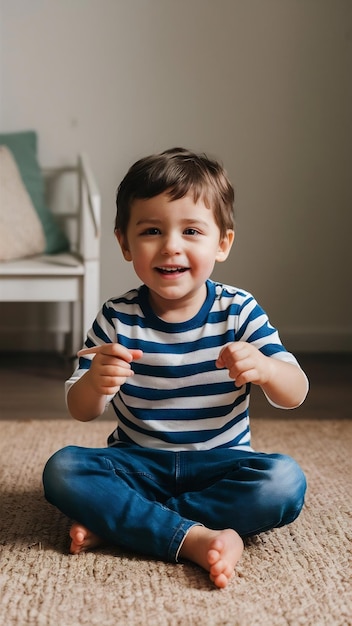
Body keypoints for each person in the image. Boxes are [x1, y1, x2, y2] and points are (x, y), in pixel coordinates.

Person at [43, 147, 308, 589]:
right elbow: (81, 409)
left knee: (284, 481)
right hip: (136, 464)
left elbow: (295, 390)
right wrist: (95, 382)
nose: (171, 246)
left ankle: (125, 523)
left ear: (221, 243)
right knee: (64, 469)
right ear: (125, 244)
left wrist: (265, 367)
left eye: (191, 230)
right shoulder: (116, 316)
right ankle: (196, 536)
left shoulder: (238, 310)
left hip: (222, 464)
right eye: (151, 230)